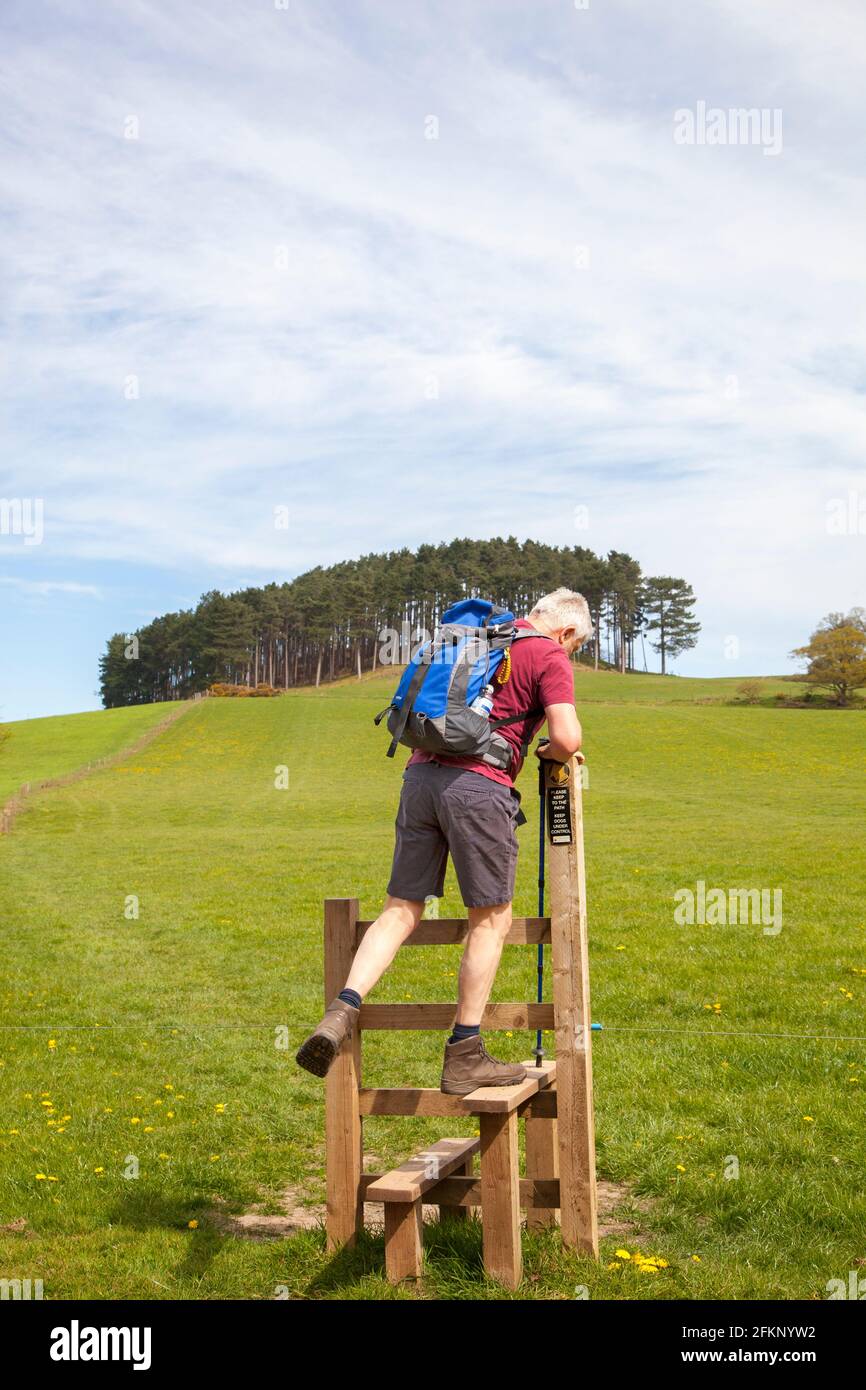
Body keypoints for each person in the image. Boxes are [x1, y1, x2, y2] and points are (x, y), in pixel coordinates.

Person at [295, 587, 591, 1094]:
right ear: (564, 631)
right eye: (575, 646)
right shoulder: (546, 653)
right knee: (492, 918)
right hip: (478, 788)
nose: (571, 654)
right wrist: (548, 753)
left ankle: (342, 1009)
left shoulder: (475, 638)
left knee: (400, 909)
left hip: (419, 778)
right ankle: (464, 1053)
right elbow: (567, 737)